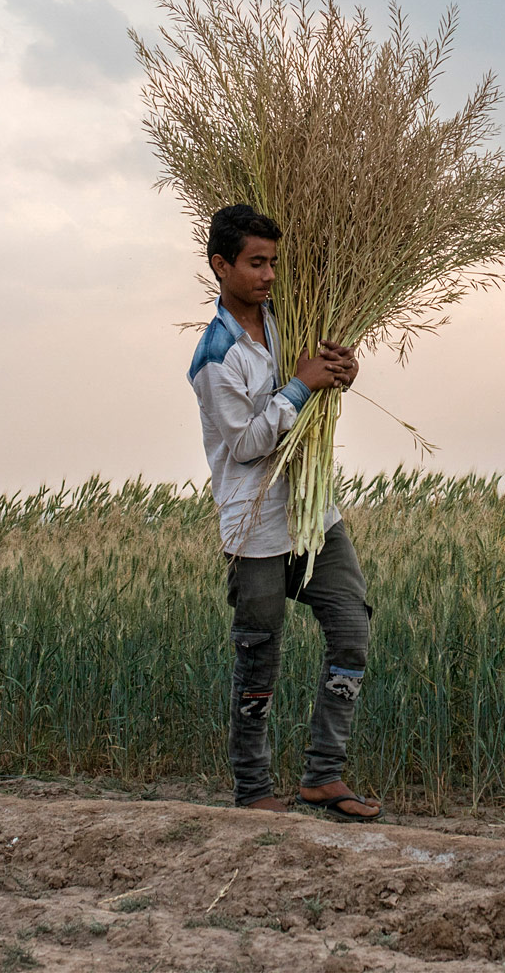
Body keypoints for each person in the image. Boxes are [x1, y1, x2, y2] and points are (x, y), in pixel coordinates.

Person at [188, 204, 382, 820]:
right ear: (221, 266)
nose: (269, 274)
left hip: (313, 511)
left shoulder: (288, 320)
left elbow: (318, 379)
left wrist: (340, 372)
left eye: (274, 261)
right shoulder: (216, 356)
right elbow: (245, 444)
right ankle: (253, 791)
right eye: (256, 263)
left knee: (352, 629)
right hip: (256, 526)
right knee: (258, 655)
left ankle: (324, 774)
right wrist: (299, 386)